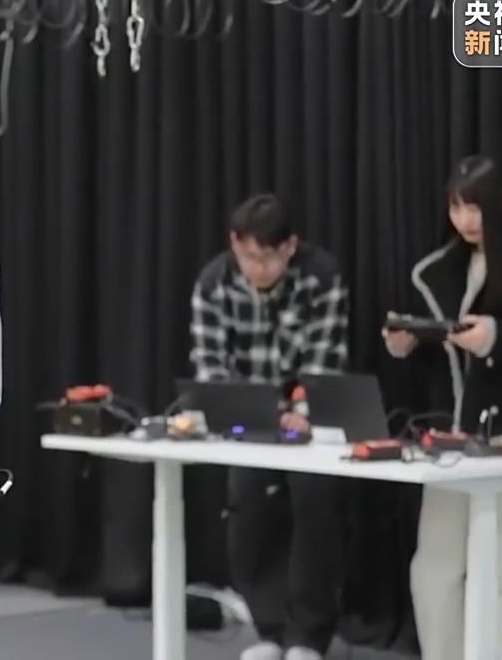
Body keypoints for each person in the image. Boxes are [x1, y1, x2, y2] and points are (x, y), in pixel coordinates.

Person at [382, 155, 502, 660]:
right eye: (456, 207)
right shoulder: (441, 269)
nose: (464, 220)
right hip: (451, 440)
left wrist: (498, 339)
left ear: (498, 205)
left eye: (474, 208)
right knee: (435, 566)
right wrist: (408, 342)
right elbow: (441, 355)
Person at [190, 194, 351, 660]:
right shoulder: (214, 282)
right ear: (233, 244)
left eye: (267, 258)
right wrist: (241, 409)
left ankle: (307, 637)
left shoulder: (321, 277)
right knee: (248, 509)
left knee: (314, 504)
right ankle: (269, 630)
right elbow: (210, 367)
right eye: (247, 257)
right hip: (249, 420)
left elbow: (324, 361)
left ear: (290, 247)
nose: (256, 269)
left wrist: (302, 408)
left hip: (310, 421)